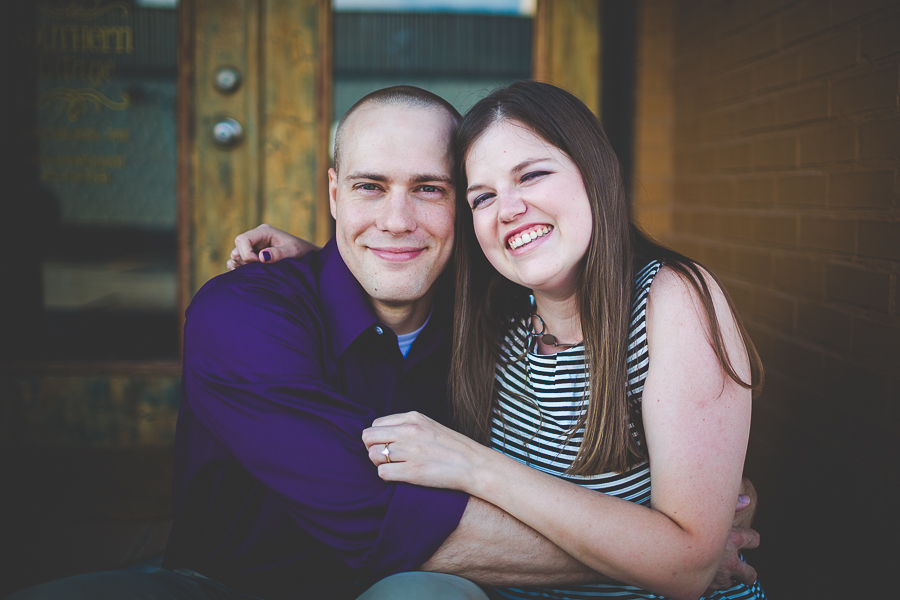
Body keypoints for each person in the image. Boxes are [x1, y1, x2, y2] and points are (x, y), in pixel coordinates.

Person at [8, 86, 757, 600]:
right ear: (334, 195)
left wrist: (672, 551)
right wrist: (662, 559)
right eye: (369, 188)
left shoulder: (499, 312)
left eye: (430, 189)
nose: (397, 219)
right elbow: (379, 515)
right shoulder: (245, 317)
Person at [357, 81, 767, 600]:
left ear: (593, 173)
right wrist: (303, 263)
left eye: (531, 174)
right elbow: (394, 267)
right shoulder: (495, 314)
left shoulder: (671, 299)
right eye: (482, 197)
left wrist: (474, 466)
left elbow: (685, 568)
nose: (507, 209)